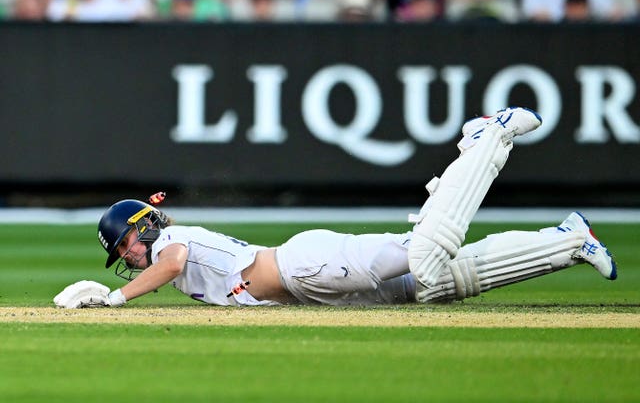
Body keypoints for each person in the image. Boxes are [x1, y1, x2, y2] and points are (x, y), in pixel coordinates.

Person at [53, 107, 617, 309]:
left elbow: (171, 263)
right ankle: (568, 241)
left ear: (140, 227)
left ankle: (487, 139)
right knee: (438, 284)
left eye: (125, 246)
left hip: (307, 264)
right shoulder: (173, 269)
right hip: (311, 289)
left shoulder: (176, 245)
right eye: (122, 259)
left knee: (425, 253)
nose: (128, 258)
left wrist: (116, 298)